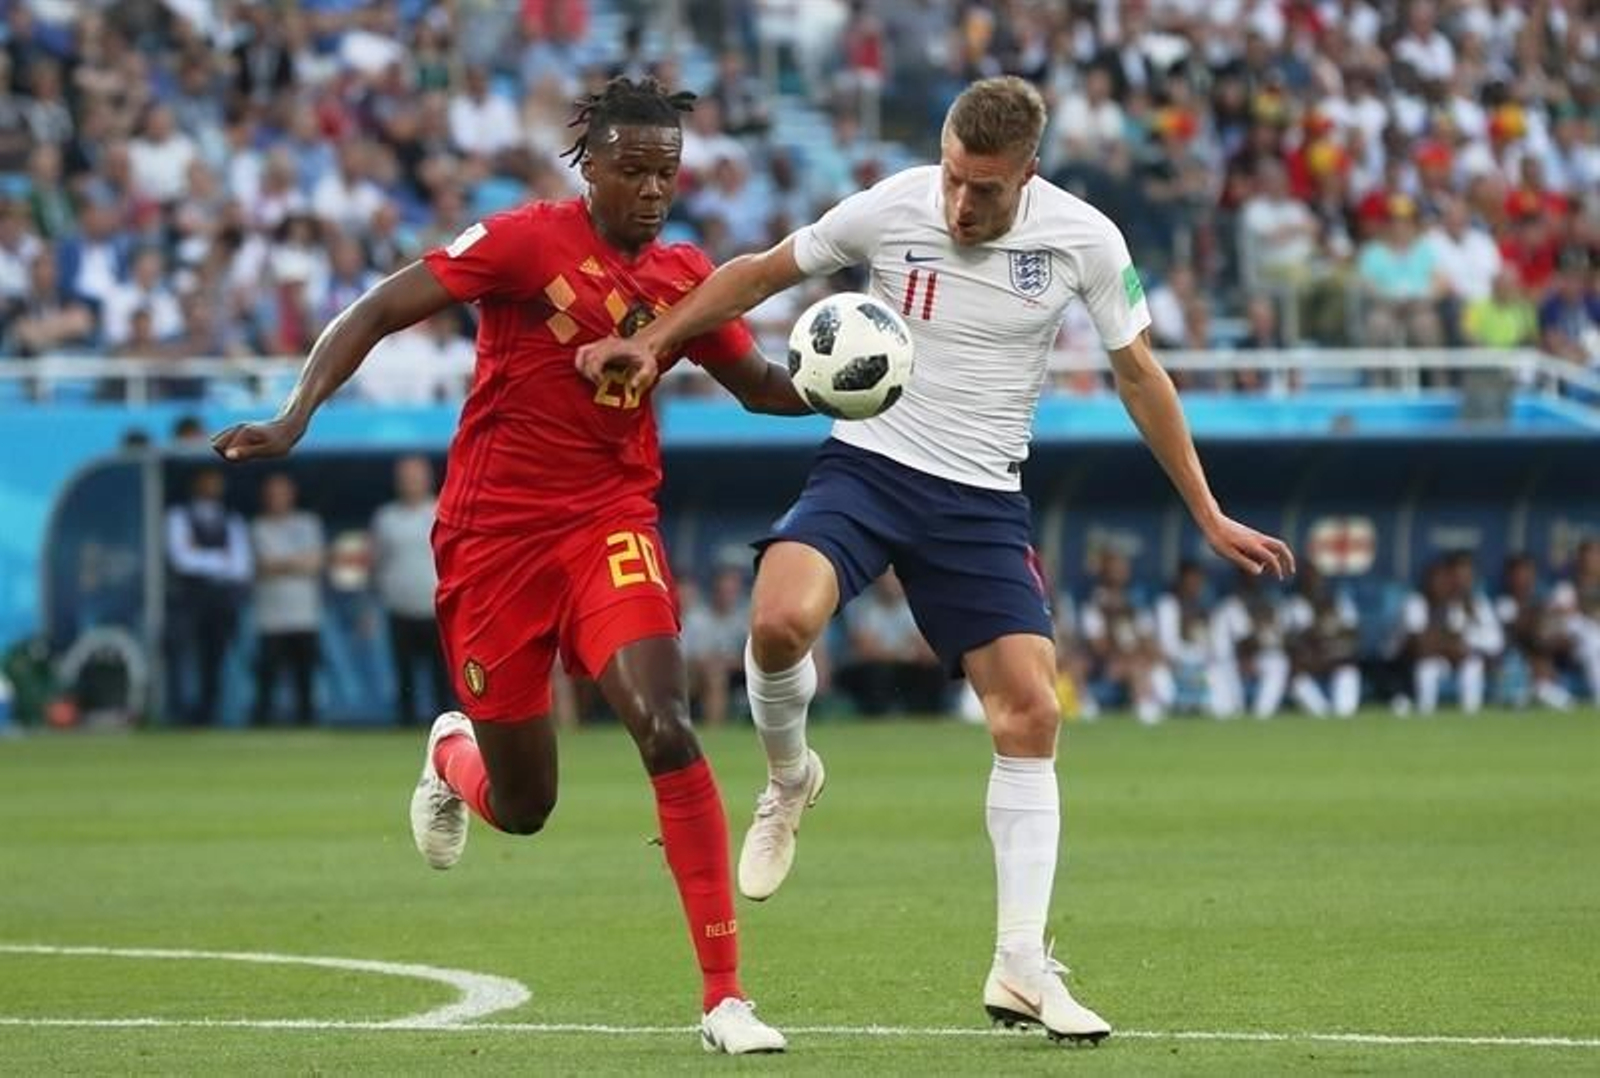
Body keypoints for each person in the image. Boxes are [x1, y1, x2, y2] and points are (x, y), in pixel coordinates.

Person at [578, 76, 1294, 1044]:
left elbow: (1138, 374)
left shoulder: (1088, 240)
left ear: (1028, 176)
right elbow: (759, 271)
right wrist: (657, 338)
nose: (960, 204)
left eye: (985, 191)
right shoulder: (893, 204)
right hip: (869, 466)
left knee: (1032, 710)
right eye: (954, 178)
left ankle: (1020, 963)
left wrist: (1205, 513)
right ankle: (789, 778)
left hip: (981, 498)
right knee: (777, 618)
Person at [211, 77, 802, 1054]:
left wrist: (856, 390)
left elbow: (763, 388)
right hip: (492, 542)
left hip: (609, 521)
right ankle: (452, 754)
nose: (655, 190)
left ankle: (725, 997)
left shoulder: (687, 280)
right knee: (524, 806)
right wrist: (294, 414)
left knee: (664, 723)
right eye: (635, 170)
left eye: (668, 171)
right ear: (593, 164)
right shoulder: (524, 242)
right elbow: (375, 309)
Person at [164, 467, 252, 726]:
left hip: (221, 599)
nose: (213, 486)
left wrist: (201, 555)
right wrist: (219, 559)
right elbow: (181, 560)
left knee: (214, 657)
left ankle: (208, 713)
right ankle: (177, 713)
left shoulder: (231, 519)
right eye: (208, 481)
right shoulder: (178, 516)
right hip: (189, 597)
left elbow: (240, 565)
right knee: (181, 654)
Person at [371, 455, 451, 727]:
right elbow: (376, 563)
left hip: (437, 610)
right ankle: (406, 725)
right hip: (400, 608)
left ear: (427, 479)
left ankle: (447, 728)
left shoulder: (443, 511)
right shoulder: (385, 518)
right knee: (404, 674)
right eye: (405, 478)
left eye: (415, 477)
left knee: (441, 674)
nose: (411, 483)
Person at [249, 473, 326, 726]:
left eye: (281, 493)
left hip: (304, 615)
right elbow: (260, 565)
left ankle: (306, 723)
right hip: (271, 618)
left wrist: (279, 563)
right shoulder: (258, 527)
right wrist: (296, 562)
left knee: (304, 677)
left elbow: (315, 562)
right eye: (272, 494)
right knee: (267, 677)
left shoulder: (308, 523)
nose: (277, 499)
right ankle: (262, 724)